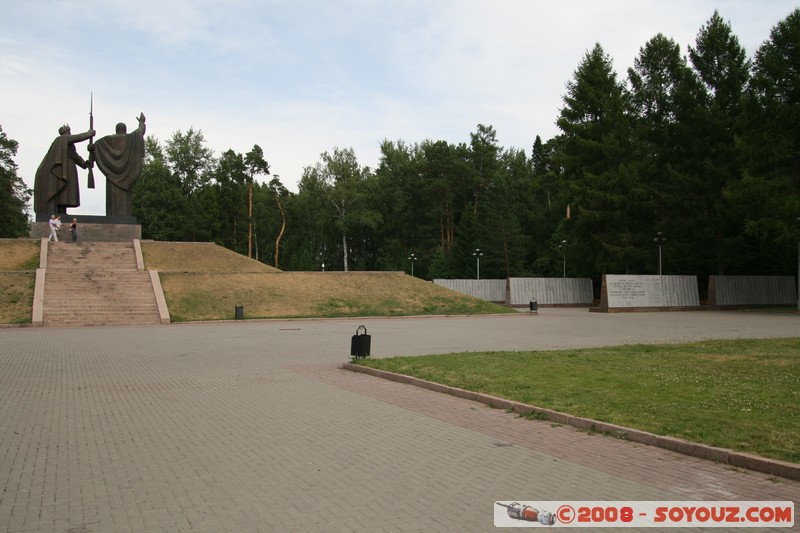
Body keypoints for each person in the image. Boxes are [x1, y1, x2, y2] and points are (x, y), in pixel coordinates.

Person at [92, 113, 146, 217]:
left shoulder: (107, 140)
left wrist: (91, 147)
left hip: (112, 178)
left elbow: (96, 145)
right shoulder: (130, 138)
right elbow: (140, 131)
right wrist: (141, 122)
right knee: (125, 201)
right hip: (126, 178)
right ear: (125, 130)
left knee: (112, 202)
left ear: (116, 130)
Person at [34, 124, 95, 216]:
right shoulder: (60, 139)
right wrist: (89, 134)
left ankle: (62, 210)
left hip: (68, 168)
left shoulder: (69, 145)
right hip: (62, 169)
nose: (69, 133)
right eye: (68, 131)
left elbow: (75, 156)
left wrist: (85, 164)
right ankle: (57, 210)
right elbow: (77, 138)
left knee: (65, 191)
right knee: (61, 187)